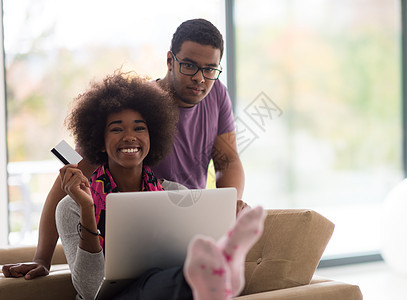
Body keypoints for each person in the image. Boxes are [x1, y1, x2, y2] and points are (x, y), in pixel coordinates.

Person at [2, 18, 247, 280]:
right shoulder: (133, 108)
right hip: (137, 235)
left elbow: (227, 161)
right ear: (169, 60)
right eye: (189, 65)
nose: (200, 77)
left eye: (210, 69)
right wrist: (43, 259)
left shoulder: (217, 93)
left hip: (186, 228)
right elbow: (67, 180)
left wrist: (226, 209)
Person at [52, 71, 265, 299]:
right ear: (99, 142)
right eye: (116, 129)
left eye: (139, 128)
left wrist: (227, 218)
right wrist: (87, 210)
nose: (129, 137)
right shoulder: (71, 207)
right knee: (170, 281)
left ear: (153, 136)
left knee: (170, 277)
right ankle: (221, 272)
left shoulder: (175, 194)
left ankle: (220, 262)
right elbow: (89, 289)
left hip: (165, 291)